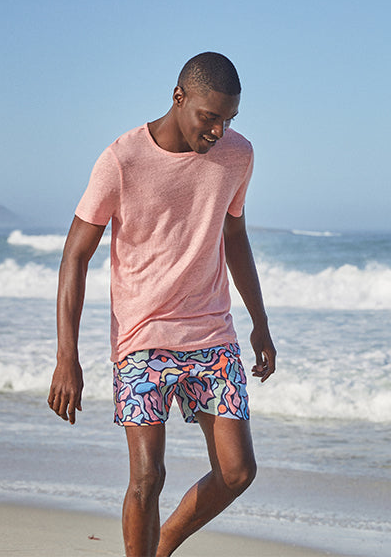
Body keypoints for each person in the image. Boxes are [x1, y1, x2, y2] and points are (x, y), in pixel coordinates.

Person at [47, 51, 276, 557]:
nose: (219, 131)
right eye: (209, 117)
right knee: (148, 478)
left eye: (229, 119)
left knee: (238, 472)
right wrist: (67, 356)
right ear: (179, 98)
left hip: (212, 335)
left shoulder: (238, 154)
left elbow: (234, 234)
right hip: (142, 339)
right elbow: (75, 255)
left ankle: (163, 542)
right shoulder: (122, 160)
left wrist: (259, 322)